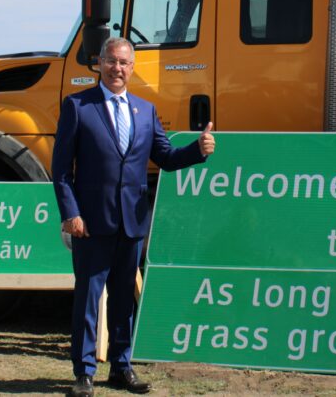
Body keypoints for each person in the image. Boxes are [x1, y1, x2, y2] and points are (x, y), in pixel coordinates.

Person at [53, 37, 215, 397]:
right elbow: (61, 170)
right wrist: (71, 213)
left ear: (132, 67)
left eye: (124, 62)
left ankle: (121, 367)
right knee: (88, 300)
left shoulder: (145, 109)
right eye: (111, 61)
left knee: (124, 300)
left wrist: (198, 151)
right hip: (90, 225)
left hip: (132, 223)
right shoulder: (78, 106)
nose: (117, 68)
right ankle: (84, 374)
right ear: (98, 63)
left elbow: (167, 157)